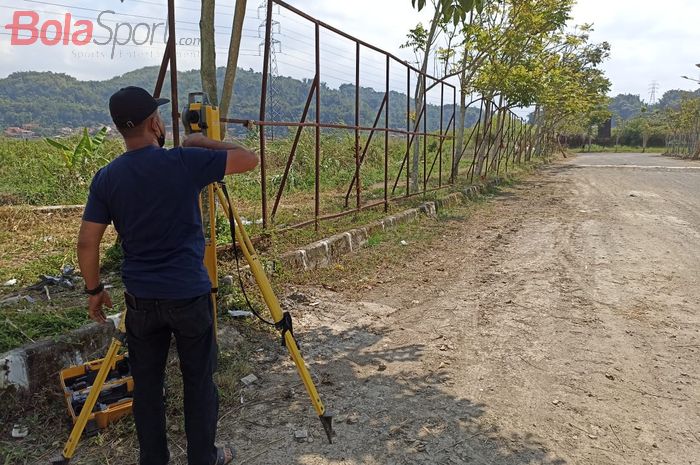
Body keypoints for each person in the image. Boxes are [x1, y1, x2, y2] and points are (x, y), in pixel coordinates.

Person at [76, 86, 258, 465]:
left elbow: (88, 243)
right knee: (198, 383)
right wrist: (202, 141)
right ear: (154, 122)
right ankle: (203, 458)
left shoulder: (107, 178)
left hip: (141, 302)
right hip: (189, 296)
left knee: (147, 387)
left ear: (120, 128)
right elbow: (249, 159)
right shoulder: (184, 161)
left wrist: (94, 290)